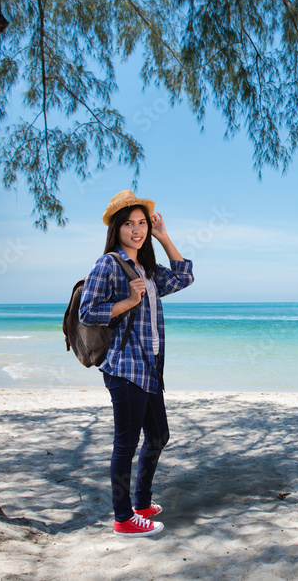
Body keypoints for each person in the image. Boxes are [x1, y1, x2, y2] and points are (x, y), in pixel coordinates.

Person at [79, 190, 194, 537]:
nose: (137, 230)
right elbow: (88, 312)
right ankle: (123, 517)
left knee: (159, 435)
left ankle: (141, 503)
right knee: (125, 444)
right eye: (129, 224)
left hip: (150, 367)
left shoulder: (147, 268)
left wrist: (164, 236)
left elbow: (185, 276)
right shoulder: (108, 264)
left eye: (142, 223)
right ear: (116, 229)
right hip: (124, 368)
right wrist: (129, 300)